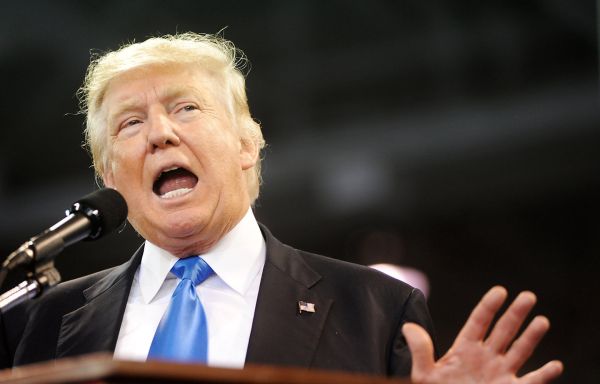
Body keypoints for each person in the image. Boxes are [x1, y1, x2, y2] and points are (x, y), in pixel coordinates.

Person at [0, 33, 562, 383]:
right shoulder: (48, 319)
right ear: (109, 176)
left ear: (247, 143)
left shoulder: (374, 309)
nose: (160, 135)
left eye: (186, 108)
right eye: (130, 123)